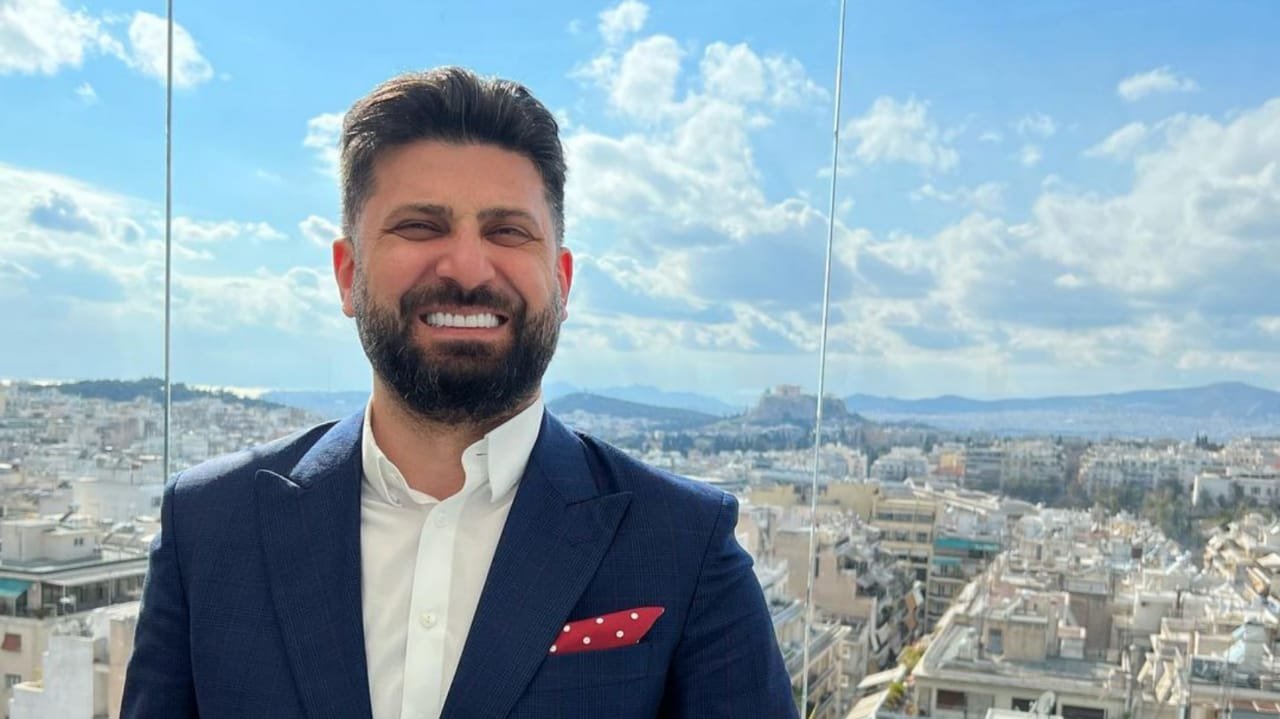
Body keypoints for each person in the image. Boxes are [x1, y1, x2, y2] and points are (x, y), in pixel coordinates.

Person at [121, 66, 796, 719]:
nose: (469, 269)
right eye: (420, 226)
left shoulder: (684, 542)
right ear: (348, 273)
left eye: (508, 231)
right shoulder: (209, 527)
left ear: (561, 282)